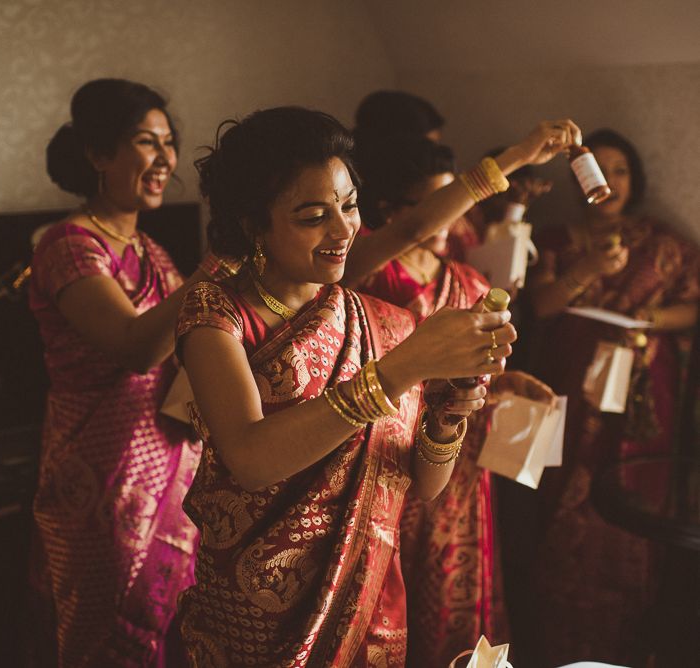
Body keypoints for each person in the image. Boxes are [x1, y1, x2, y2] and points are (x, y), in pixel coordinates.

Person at [175, 106, 518, 666]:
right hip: (256, 611)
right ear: (251, 223)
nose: (343, 230)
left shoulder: (386, 323)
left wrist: (450, 410)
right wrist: (399, 371)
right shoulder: (217, 313)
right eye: (313, 216)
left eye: (350, 204)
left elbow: (424, 485)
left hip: (369, 597)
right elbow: (251, 458)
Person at [28, 78, 212, 666]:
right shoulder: (69, 246)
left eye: (168, 143)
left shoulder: (154, 253)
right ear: (99, 155)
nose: (164, 160)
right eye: (145, 142)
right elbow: (135, 348)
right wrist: (217, 270)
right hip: (101, 482)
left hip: (172, 475)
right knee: (107, 639)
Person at [354, 133, 555, 664]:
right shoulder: (371, 276)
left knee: (452, 585)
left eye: (459, 208)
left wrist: (504, 386)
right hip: (388, 454)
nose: (453, 222)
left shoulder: (468, 281)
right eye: (442, 206)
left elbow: (475, 379)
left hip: (461, 466)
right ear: (392, 212)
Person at [527, 128, 700, 666]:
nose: (609, 181)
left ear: (635, 177)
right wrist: (588, 270)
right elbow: (541, 309)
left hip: (641, 397)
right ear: (578, 182)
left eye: (619, 168)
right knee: (559, 498)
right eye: (594, 170)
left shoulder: (666, 244)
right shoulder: (554, 241)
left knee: (630, 505)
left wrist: (647, 321)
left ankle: (631, 639)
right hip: (569, 390)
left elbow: (693, 308)